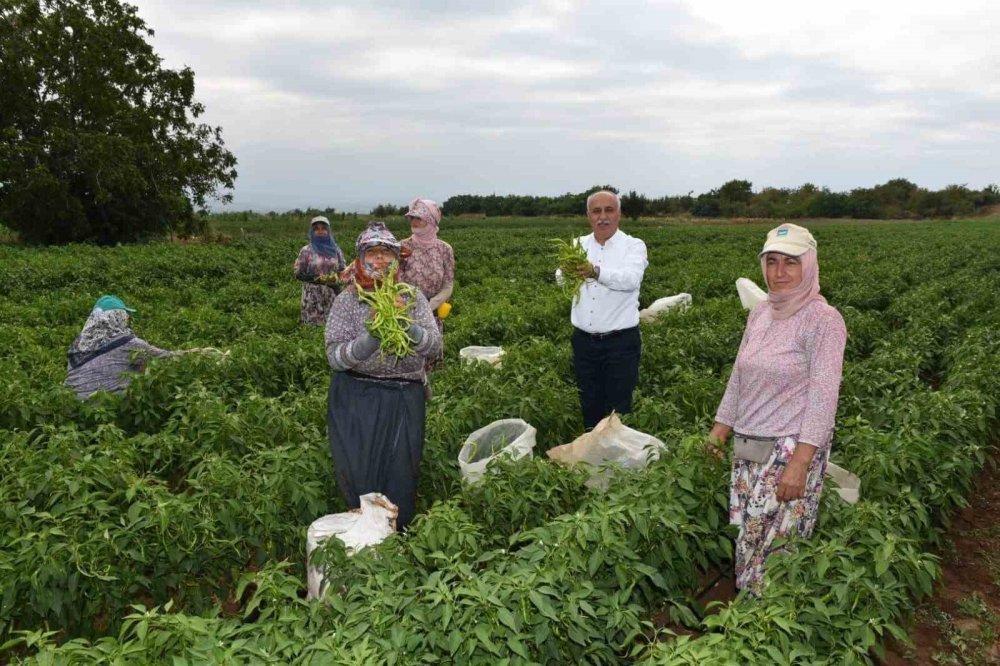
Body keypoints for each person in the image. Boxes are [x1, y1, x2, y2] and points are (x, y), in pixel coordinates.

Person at [705, 223, 847, 596]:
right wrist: (720, 428)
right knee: (749, 533)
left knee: (777, 547)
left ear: (809, 266)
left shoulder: (823, 320)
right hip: (749, 444)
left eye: (790, 263)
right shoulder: (761, 313)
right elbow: (739, 373)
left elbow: (823, 396)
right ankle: (750, 613)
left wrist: (800, 463)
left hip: (788, 450)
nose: (779, 273)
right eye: (771, 262)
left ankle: (763, 621)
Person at [324, 221, 443, 530]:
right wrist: (371, 338)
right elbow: (335, 357)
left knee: (400, 471)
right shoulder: (347, 301)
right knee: (359, 470)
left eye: (387, 254)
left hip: (404, 397)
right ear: (360, 258)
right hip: (356, 399)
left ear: (397, 259)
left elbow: (435, 346)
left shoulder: (411, 298)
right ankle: (363, 533)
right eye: (372, 253)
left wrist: (408, 327)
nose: (380, 260)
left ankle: (397, 534)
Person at [562, 190, 648, 430]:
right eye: (596, 211)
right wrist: (564, 273)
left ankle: (617, 462)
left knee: (618, 409)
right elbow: (561, 279)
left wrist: (595, 271)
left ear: (619, 214)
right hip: (584, 342)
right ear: (588, 216)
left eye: (609, 210)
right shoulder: (578, 245)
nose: (603, 217)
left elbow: (630, 280)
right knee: (589, 404)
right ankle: (593, 458)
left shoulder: (633, 246)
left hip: (620, 343)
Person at [65, 295, 195, 399]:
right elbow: (167, 358)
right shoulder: (128, 343)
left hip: (72, 403)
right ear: (118, 317)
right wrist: (197, 353)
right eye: (126, 316)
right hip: (106, 406)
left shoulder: (79, 344)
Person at [398, 197, 455, 340]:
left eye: (419, 218)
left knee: (430, 349)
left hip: (433, 313)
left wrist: (430, 306)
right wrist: (408, 307)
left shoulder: (444, 249)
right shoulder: (402, 247)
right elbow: (393, 280)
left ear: (431, 220)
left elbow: (448, 284)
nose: (414, 222)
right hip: (406, 313)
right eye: (411, 218)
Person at [294, 215, 347, 325]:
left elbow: (343, 270)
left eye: (323, 228)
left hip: (331, 293)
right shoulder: (306, 250)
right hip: (312, 296)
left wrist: (335, 280)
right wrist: (315, 278)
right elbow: (298, 273)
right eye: (316, 229)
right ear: (312, 232)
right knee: (312, 328)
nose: (320, 231)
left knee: (333, 326)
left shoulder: (335, 250)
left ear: (328, 231)